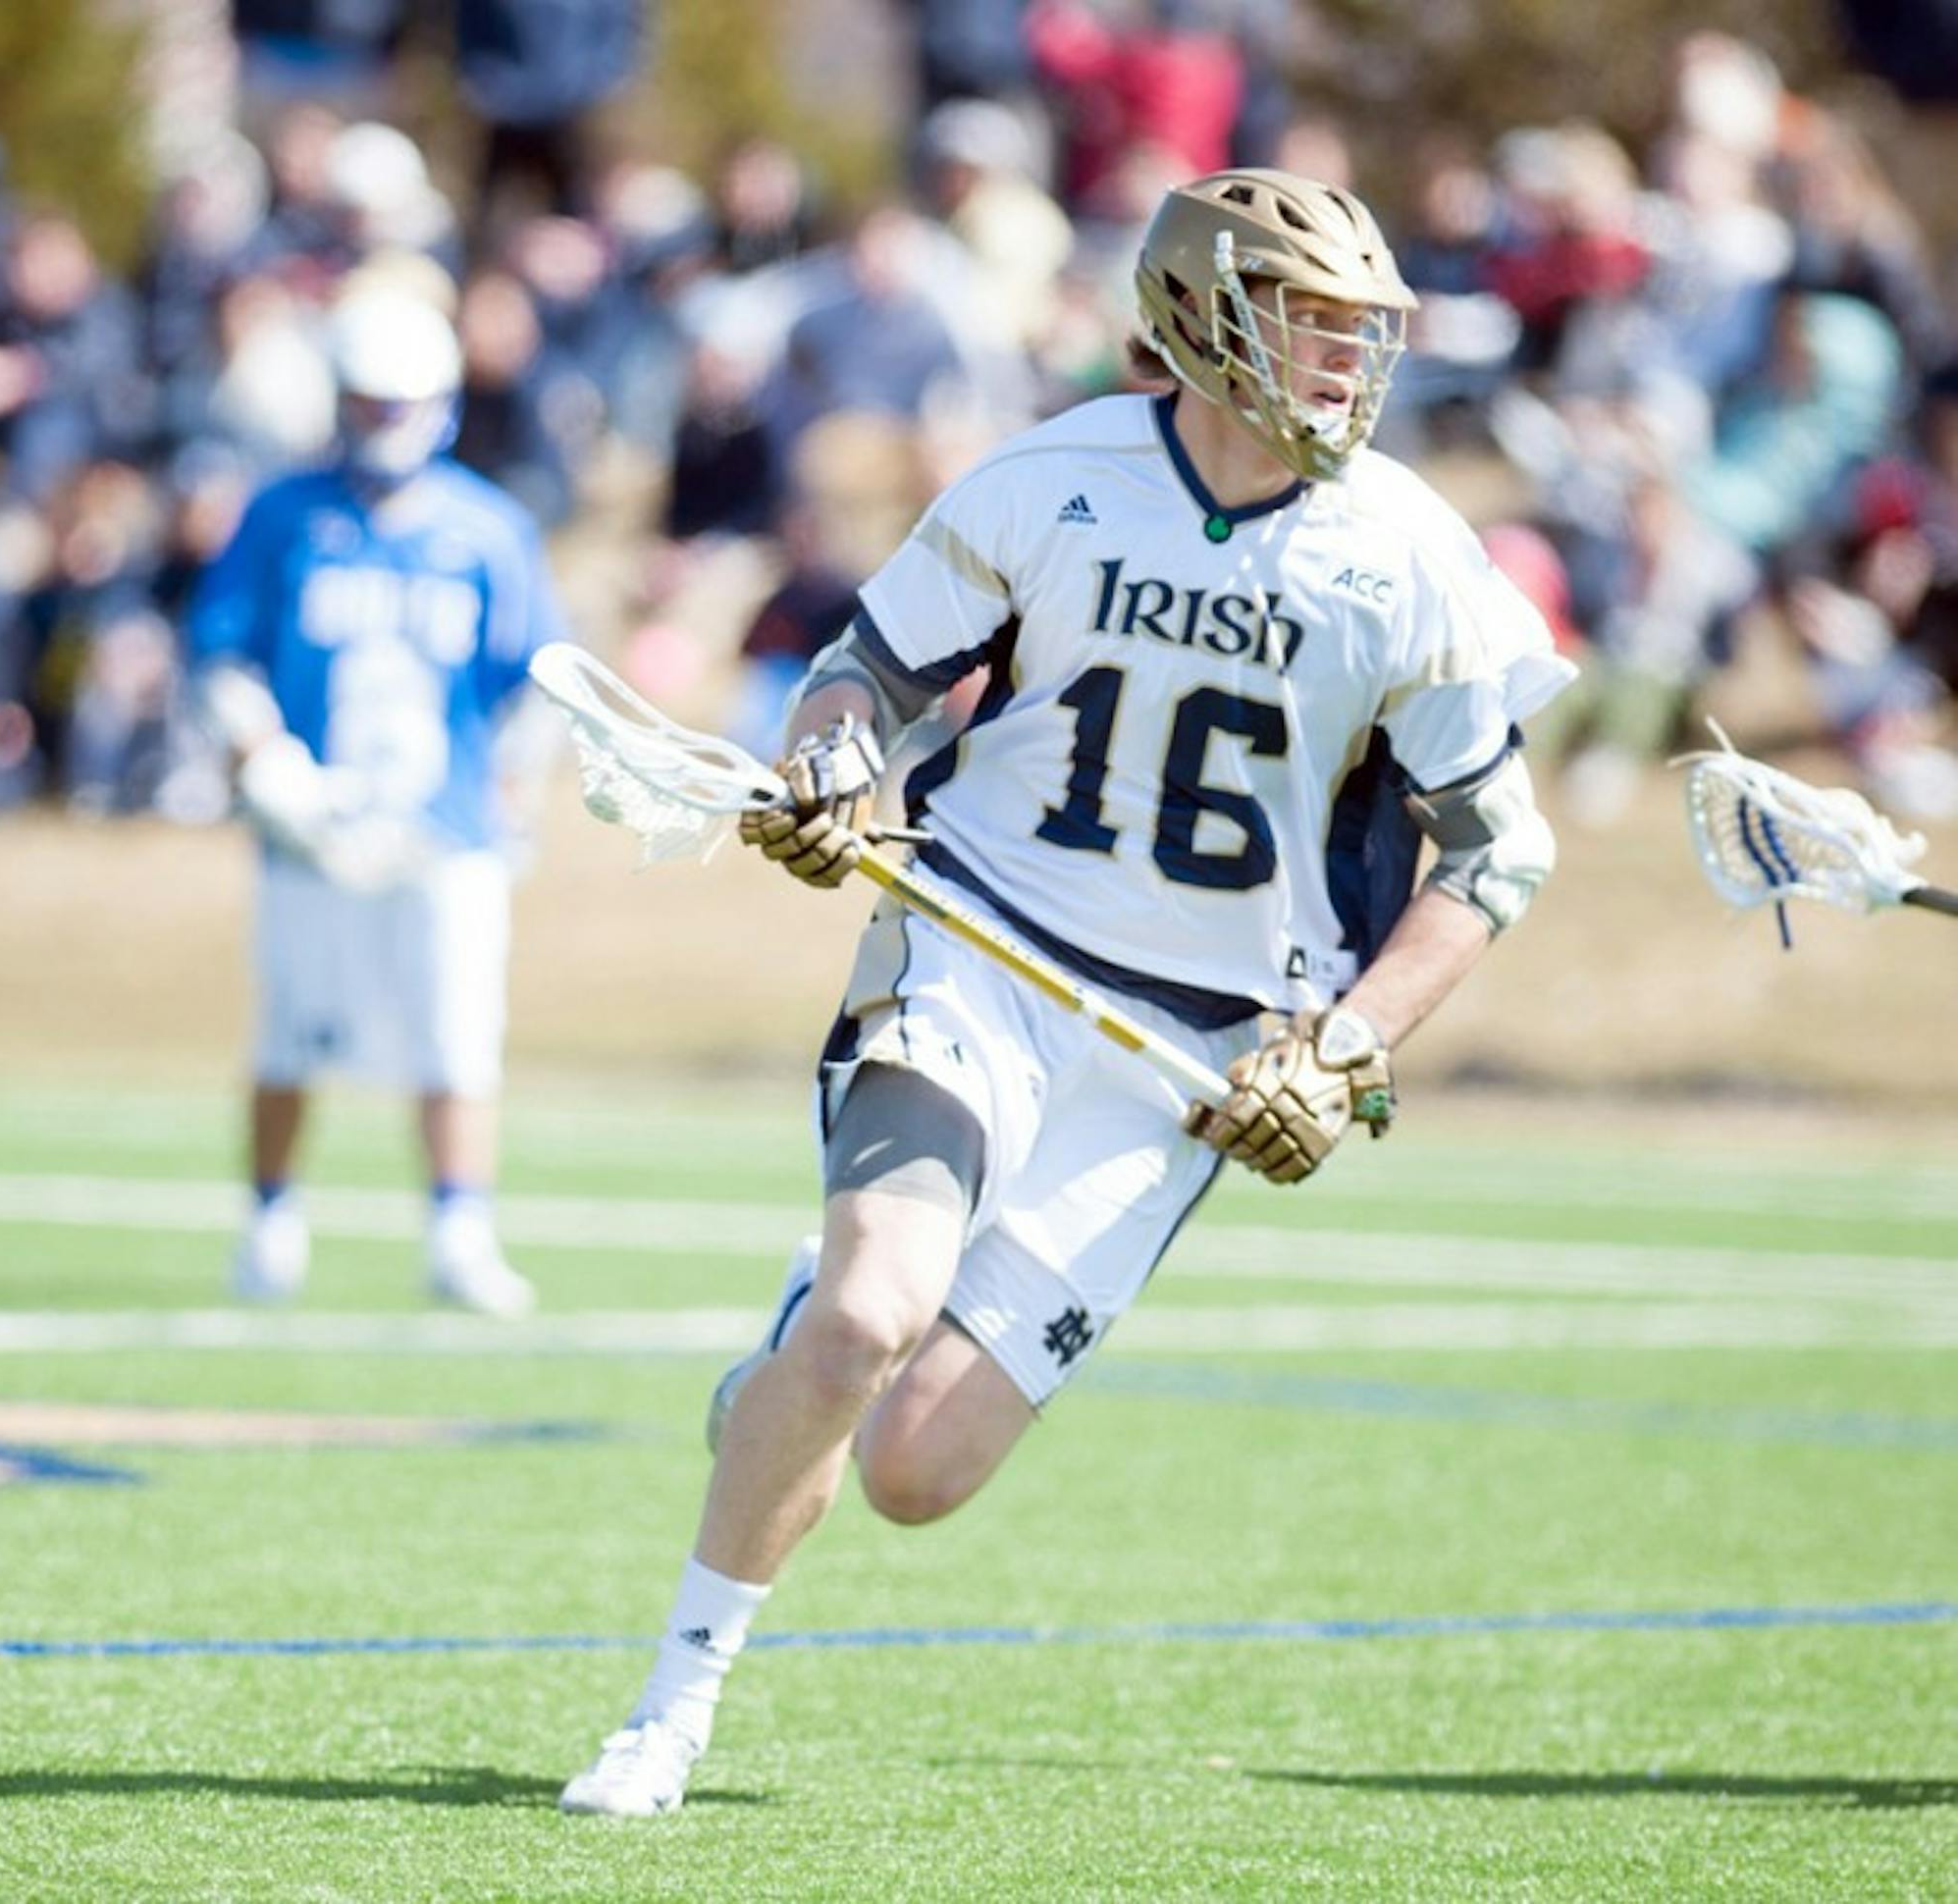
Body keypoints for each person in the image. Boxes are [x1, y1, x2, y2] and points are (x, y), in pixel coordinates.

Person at [558, 169, 1574, 1816]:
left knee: (913, 1471)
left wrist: (1354, 1044)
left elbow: (1493, 859)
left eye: (1356, 335)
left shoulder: (1410, 555)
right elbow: (865, 678)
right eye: (1308, 325)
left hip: (1181, 1051)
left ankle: (786, 1386)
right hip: (976, 937)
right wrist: (831, 772)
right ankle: (666, 1712)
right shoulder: (1058, 475)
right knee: (865, 1324)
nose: (1342, 365)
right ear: (1202, 311)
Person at [187, 286, 568, 1318]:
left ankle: (459, 1224)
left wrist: (517, 783)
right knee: (288, 1034)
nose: (381, 425)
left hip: (445, 824)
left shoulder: (487, 527)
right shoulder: (284, 514)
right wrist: (263, 752)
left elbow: (538, 675)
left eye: (398, 405)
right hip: (313, 826)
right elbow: (222, 650)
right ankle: (269, 1216)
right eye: (366, 403)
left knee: (456, 1034)